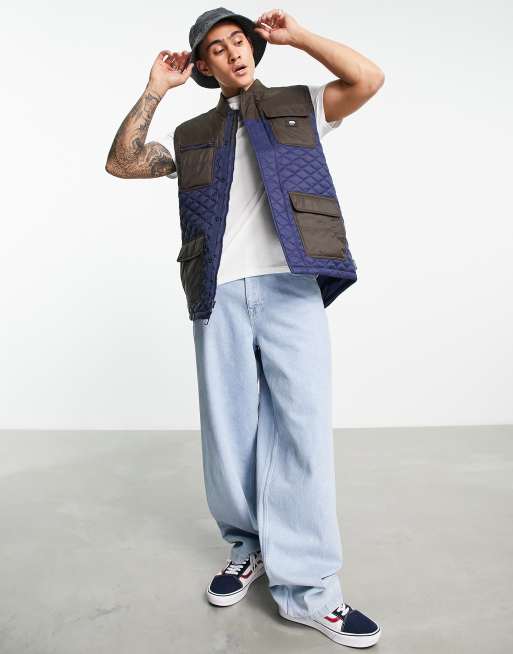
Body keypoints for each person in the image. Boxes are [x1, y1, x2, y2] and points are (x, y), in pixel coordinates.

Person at [105, 7, 384, 649]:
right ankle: (247, 547)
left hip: (292, 284)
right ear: (203, 66)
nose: (234, 53)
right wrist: (155, 88)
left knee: (302, 434)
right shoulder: (192, 134)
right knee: (229, 437)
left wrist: (299, 37)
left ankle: (310, 591)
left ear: (253, 49)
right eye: (218, 48)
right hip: (219, 290)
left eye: (240, 41)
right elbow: (122, 161)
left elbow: (368, 78)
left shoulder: (299, 104)